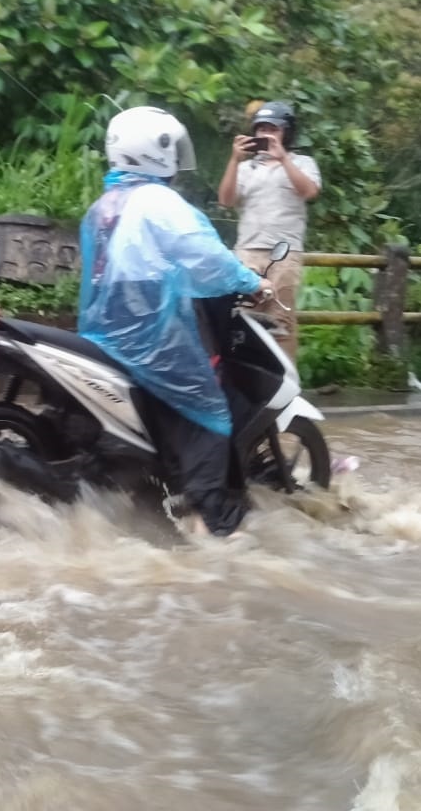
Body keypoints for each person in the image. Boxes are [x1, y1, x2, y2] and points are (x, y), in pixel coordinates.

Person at [77, 105, 272, 536]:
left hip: (104, 327)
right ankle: (213, 517)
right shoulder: (160, 202)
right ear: (158, 152)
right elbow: (204, 256)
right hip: (146, 325)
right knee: (206, 408)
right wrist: (251, 282)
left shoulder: (104, 205)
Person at [216, 100, 321, 364]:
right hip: (248, 253)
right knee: (242, 319)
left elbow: (309, 191)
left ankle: (286, 384)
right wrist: (234, 159)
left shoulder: (303, 162)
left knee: (281, 322)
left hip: (285, 255)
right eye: (261, 129)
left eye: (272, 129)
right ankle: (246, 384)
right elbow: (226, 200)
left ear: (287, 132)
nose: (266, 135)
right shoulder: (245, 168)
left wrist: (283, 158)